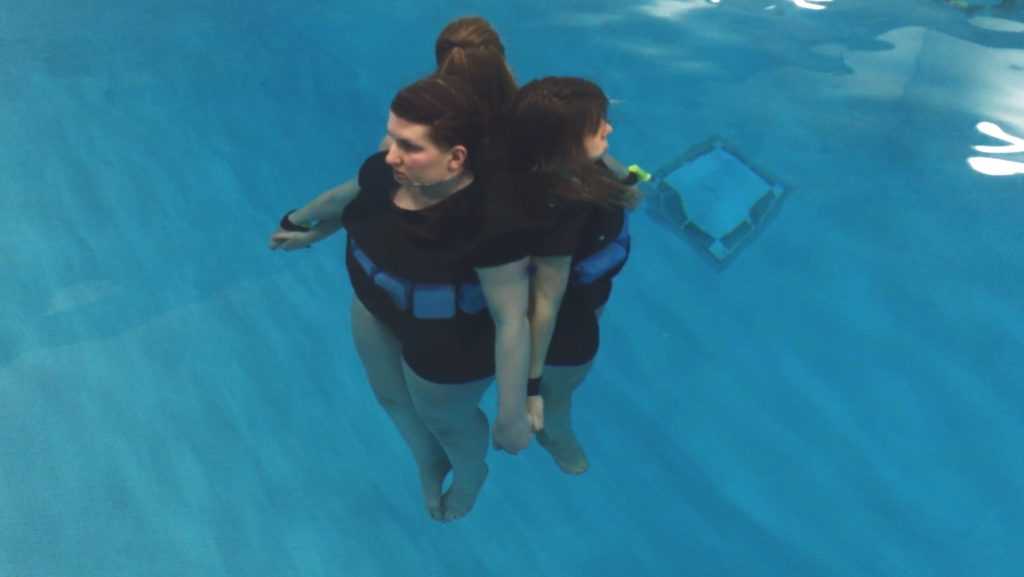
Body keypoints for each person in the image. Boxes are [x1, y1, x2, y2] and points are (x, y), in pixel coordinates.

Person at [505, 77, 642, 475]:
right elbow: (547, 301)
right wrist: (531, 388)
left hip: (588, 293)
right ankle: (555, 434)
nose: (609, 128)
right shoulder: (562, 211)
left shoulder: (575, 164)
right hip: (564, 324)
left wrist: (620, 182)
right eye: (597, 124)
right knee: (558, 395)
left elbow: (615, 178)